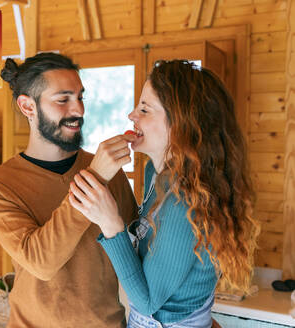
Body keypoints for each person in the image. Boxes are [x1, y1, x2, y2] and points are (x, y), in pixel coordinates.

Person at [69, 60, 260, 328]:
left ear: (182, 123)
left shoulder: (185, 203)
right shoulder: (156, 174)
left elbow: (147, 302)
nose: (132, 116)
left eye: (145, 109)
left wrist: (111, 224)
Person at [0, 52, 139, 327]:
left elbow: (137, 248)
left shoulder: (108, 172)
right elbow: (41, 262)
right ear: (28, 107)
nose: (79, 110)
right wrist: (96, 176)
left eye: (80, 97)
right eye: (63, 100)